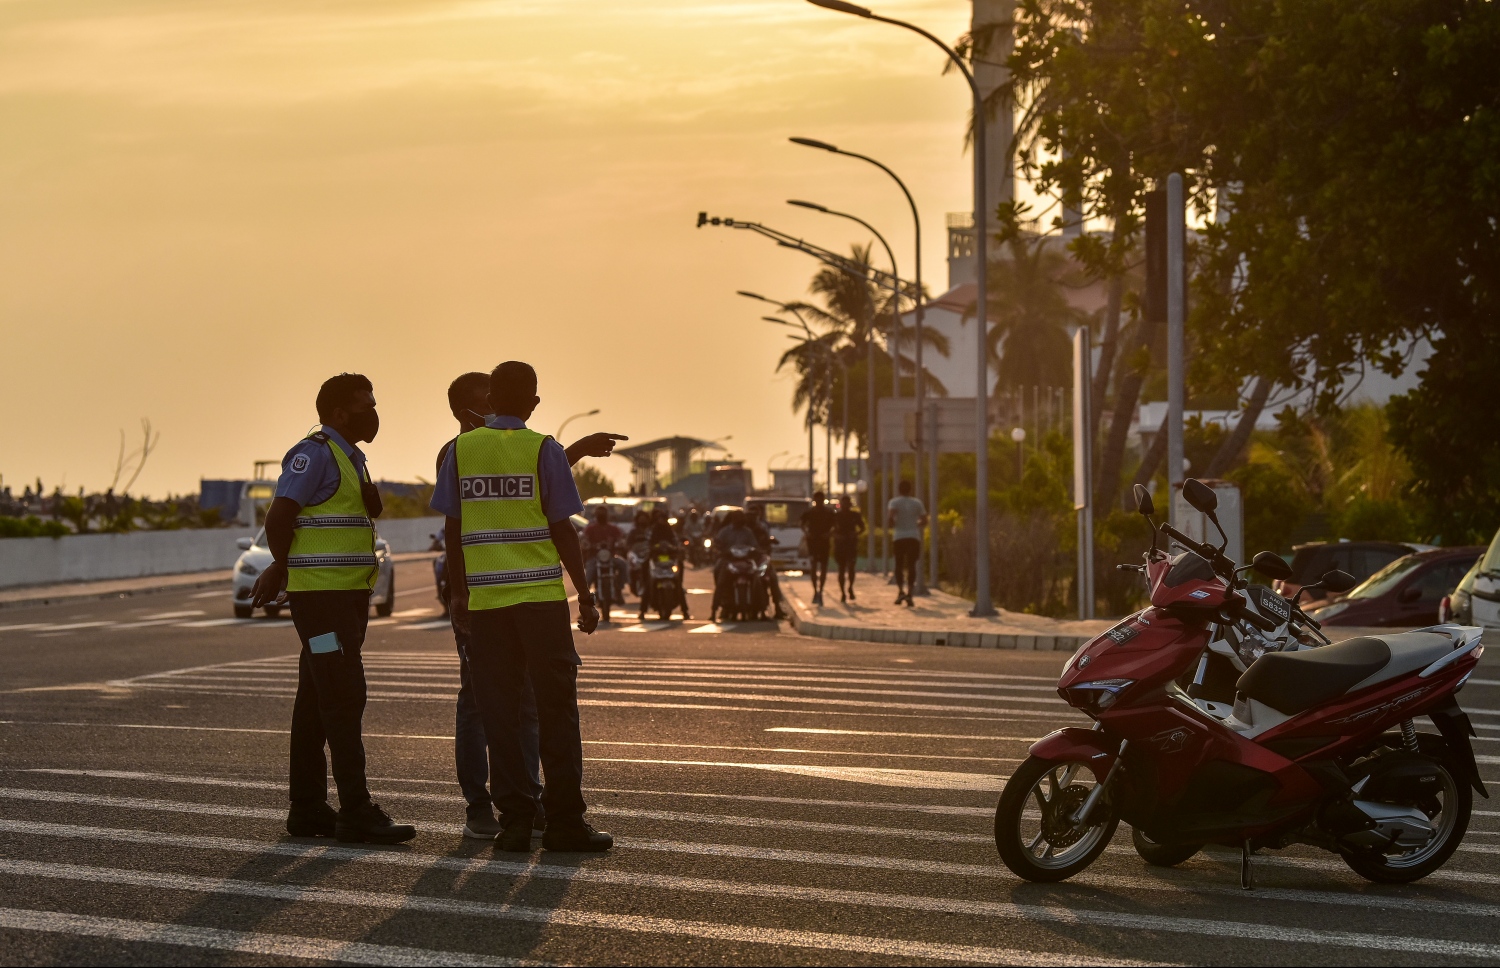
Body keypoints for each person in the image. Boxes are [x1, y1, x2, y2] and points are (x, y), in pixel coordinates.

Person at [434, 360, 613, 852]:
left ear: (490, 402)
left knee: (499, 714)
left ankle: (512, 824)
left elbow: (453, 528)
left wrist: (457, 592)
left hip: (487, 604)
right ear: (534, 402)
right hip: (539, 601)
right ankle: (563, 824)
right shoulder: (544, 449)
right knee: (556, 713)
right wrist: (586, 594)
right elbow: (561, 528)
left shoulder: (461, 450)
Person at [250, 372, 415, 845]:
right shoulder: (314, 453)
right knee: (343, 697)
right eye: (366, 405)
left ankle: (307, 809)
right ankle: (356, 810)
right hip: (320, 607)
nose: (374, 412)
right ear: (340, 412)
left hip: (343, 602)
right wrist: (280, 567)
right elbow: (279, 515)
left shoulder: (349, 457)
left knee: (315, 700)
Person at [887, 479, 929, 607]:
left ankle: (900, 591)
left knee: (898, 565)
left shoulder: (894, 502)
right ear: (910, 489)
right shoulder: (917, 503)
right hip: (913, 536)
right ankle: (910, 593)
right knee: (912, 565)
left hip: (899, 536)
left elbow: (891, 518)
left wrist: (895, 524)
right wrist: (915, 525)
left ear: (899, 490)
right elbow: (924, 520)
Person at [746, 504, 789, 620]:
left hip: (760, 558)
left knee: (773, 578)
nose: (753, 517)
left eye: (755, 515)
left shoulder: (762, 527)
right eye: (750, 514)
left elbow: (766, 542)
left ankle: (778, 607)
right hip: (745, 559)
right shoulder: (743, 528)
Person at [581, 505, 627, 613]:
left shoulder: (613, 529)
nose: (602, 516)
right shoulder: (590, 529)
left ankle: (619, 589)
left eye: (604, 514)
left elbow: (621, 538)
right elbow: (584, 540)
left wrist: (620, 543)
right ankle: (585, 606)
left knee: (623, 564)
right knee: (586, 579)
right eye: (599, 514)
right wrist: (586, 544)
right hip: (595, 558)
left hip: (610, 558)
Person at [800, 491, 836, 606]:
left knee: (824, 568)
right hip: (813, 543)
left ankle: (821, 590)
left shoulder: (829, 512)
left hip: (824, 542)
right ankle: (815, 591)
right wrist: (807, 533)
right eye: (817, 500)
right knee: (814, 567)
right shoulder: (810, 512)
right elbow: (801, 523)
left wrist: (829, 534)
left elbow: (836, 526)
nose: (819, 502)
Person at [833, 495, 866, 604]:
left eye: (847, 504)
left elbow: (862, 528)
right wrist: (837, 536)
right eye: (844, 503)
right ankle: (843, 592)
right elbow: (831, 529)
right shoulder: (836, 516)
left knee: (851, 567)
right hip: (840, 545)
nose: (845, 506)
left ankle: (850, 587)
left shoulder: (855, 515)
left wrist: (855, 534)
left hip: (851, 544)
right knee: (841, 569)